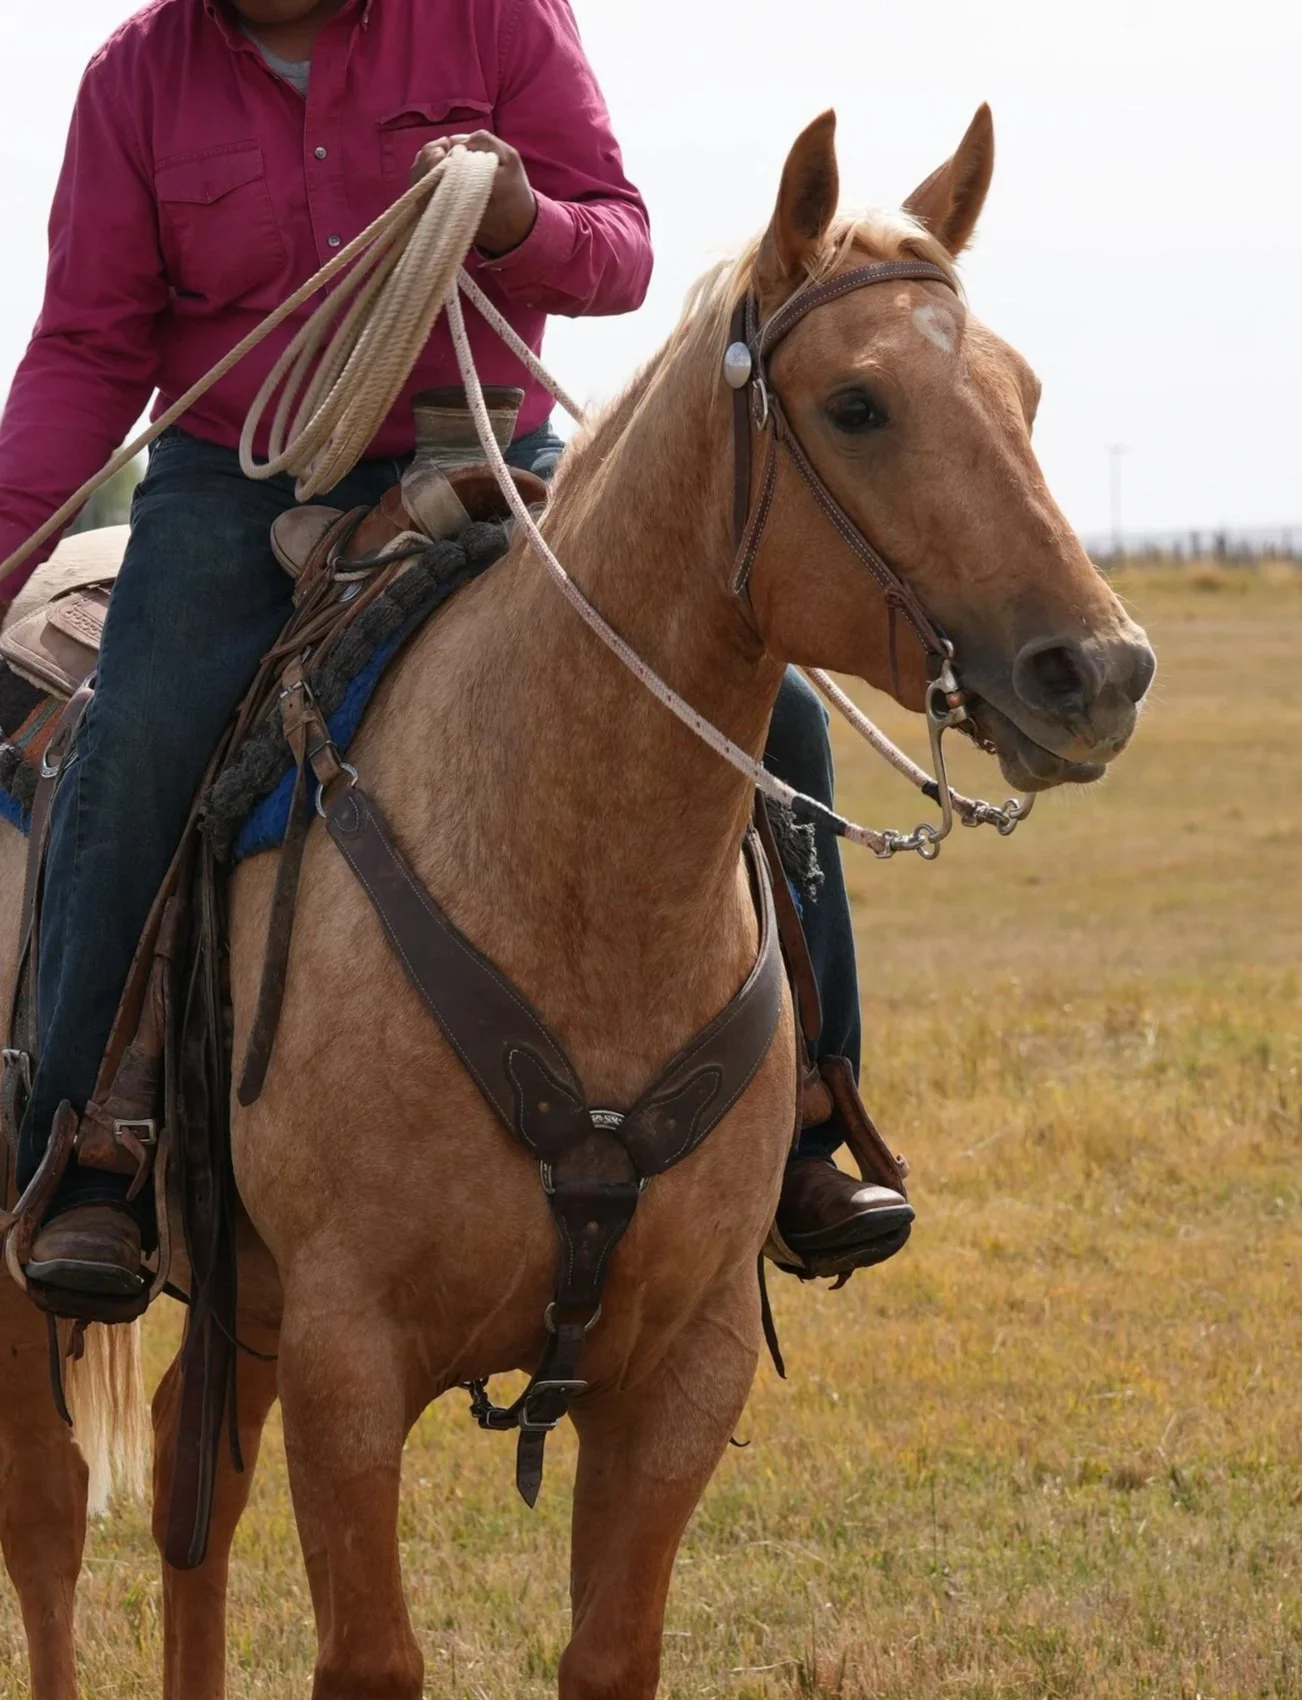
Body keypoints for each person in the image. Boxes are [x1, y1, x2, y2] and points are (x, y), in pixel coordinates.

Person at [0, 0, 910, 1303]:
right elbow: (88, 349)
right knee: (135, 740)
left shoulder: (495, 18)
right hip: (233, 483)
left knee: (776, 715)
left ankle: (816, 1117)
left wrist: (518, 225)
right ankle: (95, 1150)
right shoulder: (135, 80)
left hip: (482, 447)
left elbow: (622, 249)